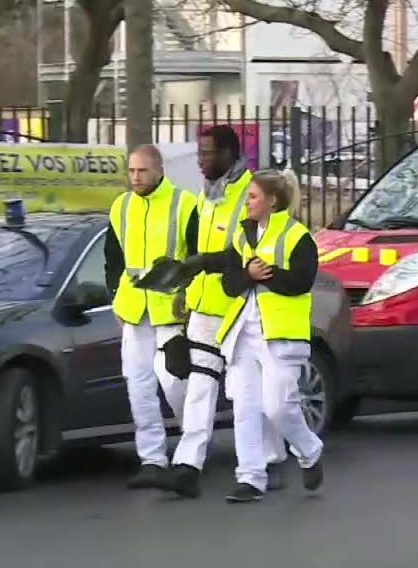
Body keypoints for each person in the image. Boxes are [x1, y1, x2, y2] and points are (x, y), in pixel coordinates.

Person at [162, 126, 288, 499]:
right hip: (205, 306)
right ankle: (187, 466)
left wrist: (204, 264)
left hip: (241, 307)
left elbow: (248, 252)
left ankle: (270, 459)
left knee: (245, 392)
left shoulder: (253, 193)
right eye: (199, 153)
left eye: (208, 153)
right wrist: (186, 289)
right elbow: (199, 248)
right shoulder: (207, 196)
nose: (200, 160)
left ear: (231, 153)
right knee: (200, 386)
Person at [216, 169, 324, 503]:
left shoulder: (297, 235)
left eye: (252, 196)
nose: (246, 203)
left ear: (271, 201)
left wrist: (266, 275)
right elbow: (229, 283)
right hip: (243, 332)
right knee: (246, 407)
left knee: (278, 407)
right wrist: (248, 275)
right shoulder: (241, 236)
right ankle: (250, 478)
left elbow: (302, 281)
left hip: (280, 334)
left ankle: (309, 450)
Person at [104, 144, 199, 489]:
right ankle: (152, 459)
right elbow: (113, 258)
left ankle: (191, 453)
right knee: (138, 385)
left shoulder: (184, 203)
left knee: (176, 384)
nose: (135, 177)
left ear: (159, 170)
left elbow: (198, 256)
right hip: (135, 308)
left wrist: (189, 300)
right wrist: (116, 298)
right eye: (131, 171)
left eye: (142, 171)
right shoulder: (122, 206)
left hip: (171, 308)